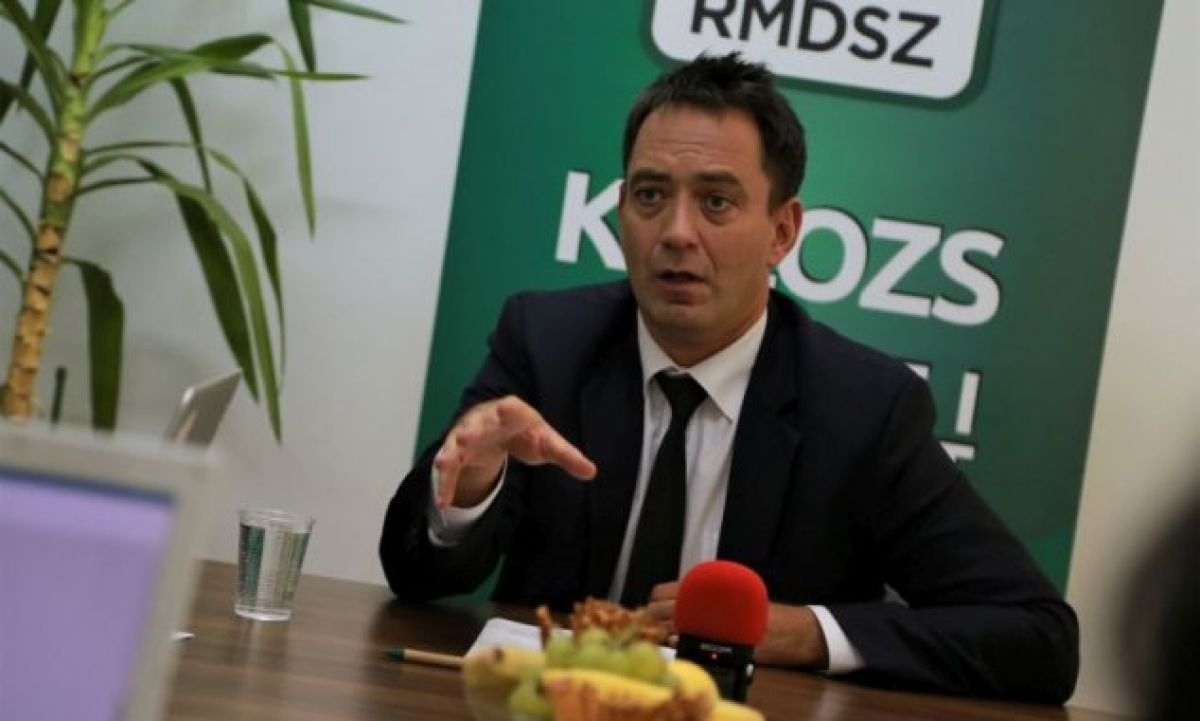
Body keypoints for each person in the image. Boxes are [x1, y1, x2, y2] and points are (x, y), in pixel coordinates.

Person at [380, 53, 1078, 704]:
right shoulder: (545, 342)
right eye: (650, 195)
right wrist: (467, 489)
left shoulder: (864, 407)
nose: (676, 232)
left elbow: (1039, 637)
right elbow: (415, 575)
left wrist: (806, 632)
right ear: (620, 212)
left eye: (716, 202)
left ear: (782, 231)